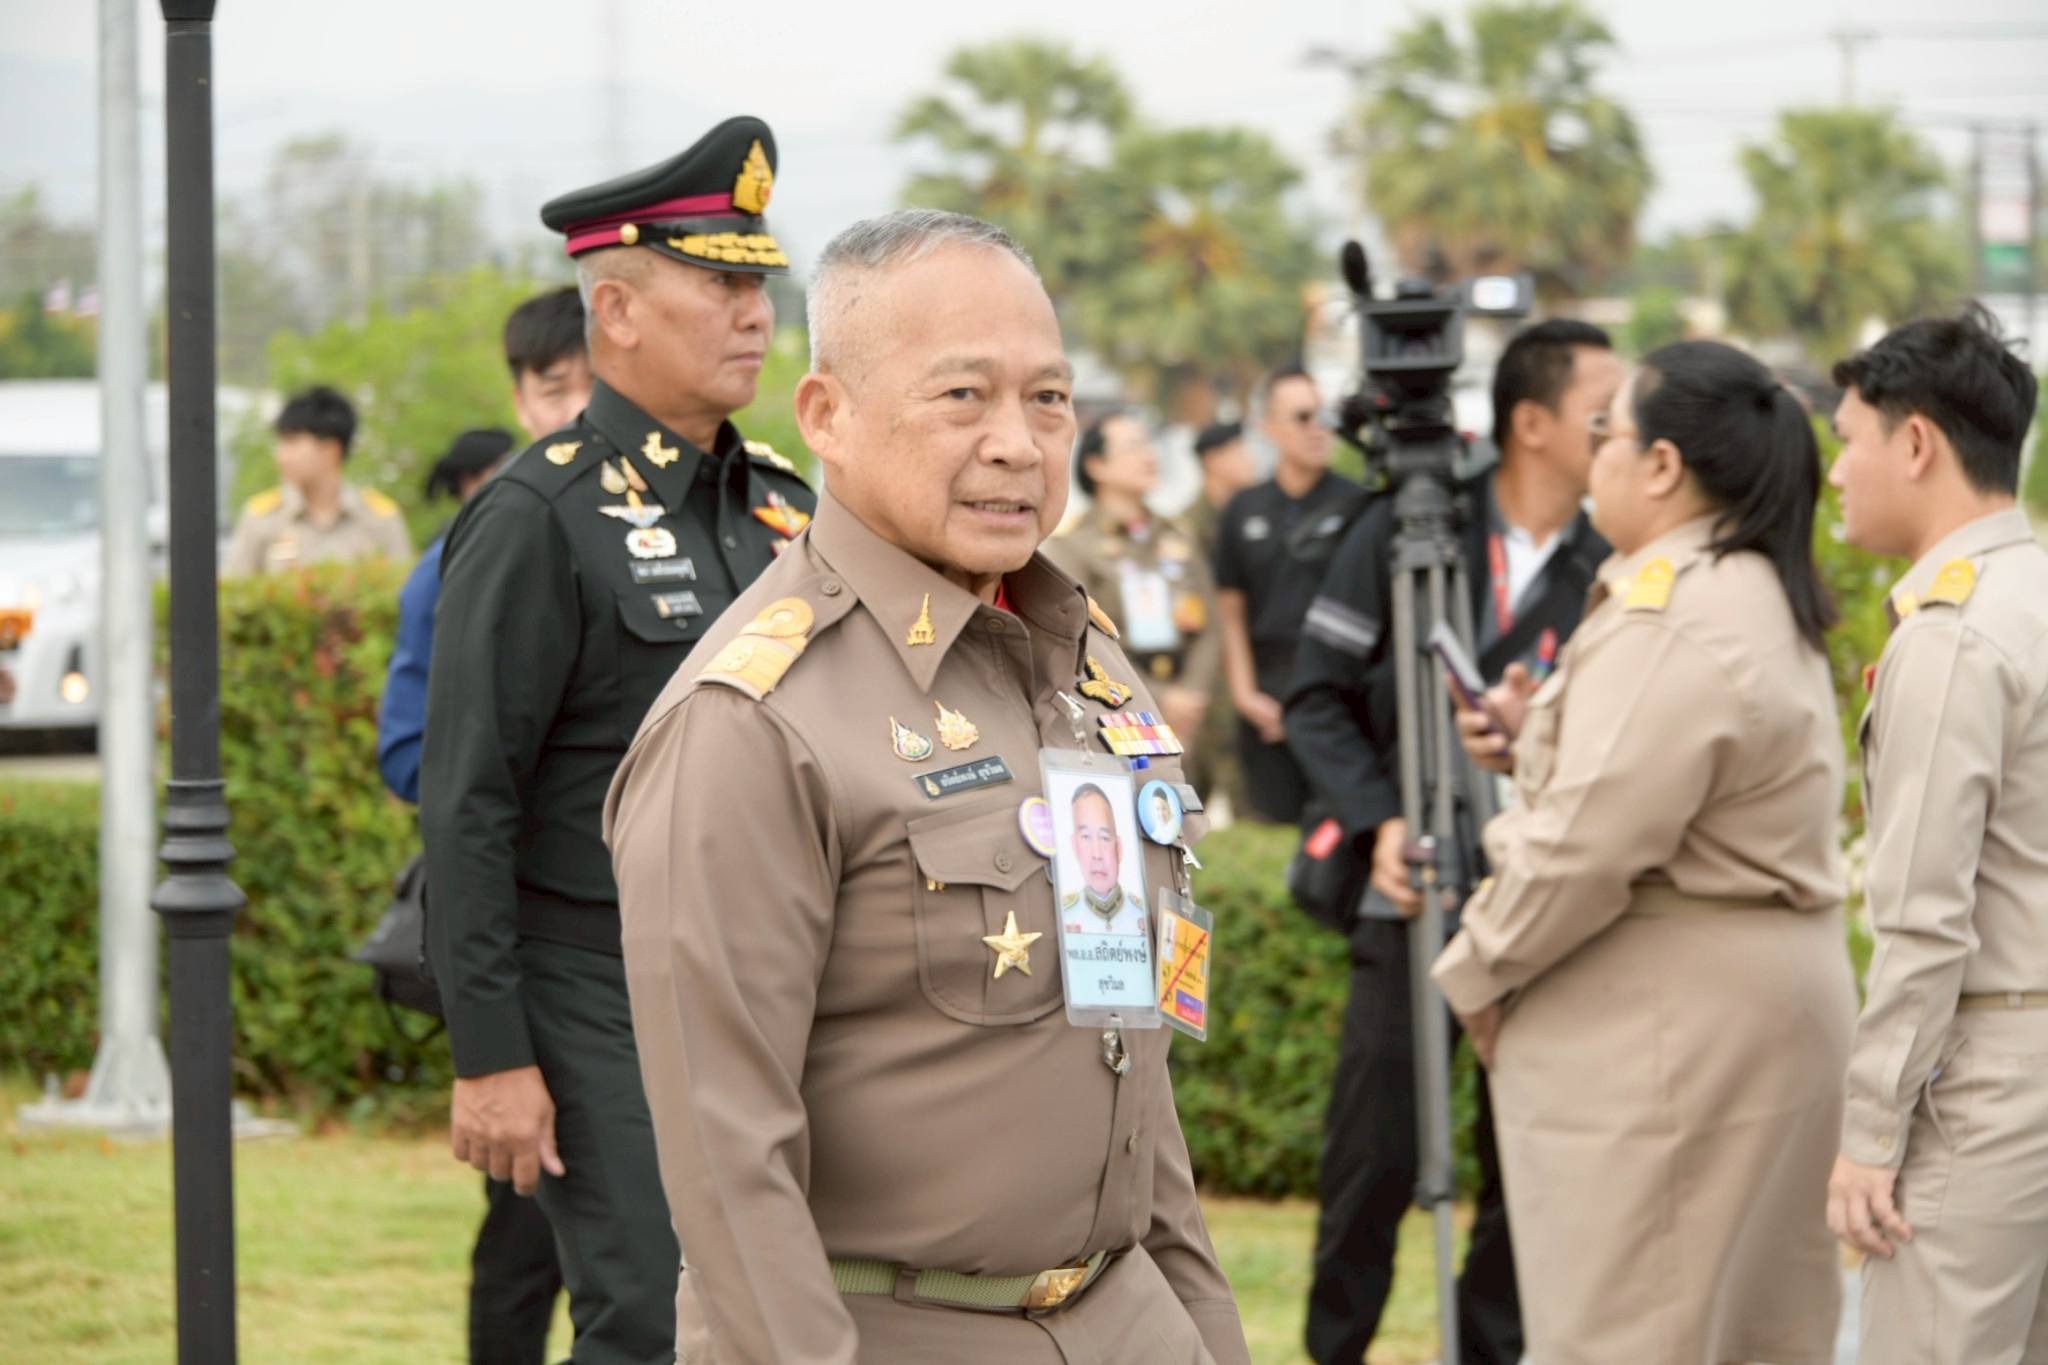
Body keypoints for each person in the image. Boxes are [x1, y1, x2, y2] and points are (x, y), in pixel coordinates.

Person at [605, 208, 1249, 1364]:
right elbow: (726, 1161)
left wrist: (1202, 1332)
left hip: (1125, 1319)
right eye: (962, 396)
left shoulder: (1076, 656)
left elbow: (1127, 1054)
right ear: (826, 416)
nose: (1017, 442)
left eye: (1047, 399)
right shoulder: (753, 721)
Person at [419, 116, 815, 1365]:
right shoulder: (537, 515)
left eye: (760, 284)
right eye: (720, 284)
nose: (754, 314)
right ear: (619, 311)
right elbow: (468, 799)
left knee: (784, 1314)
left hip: (768, 986)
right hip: (599, 985)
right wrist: (490, 1057)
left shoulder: (786, 509)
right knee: (653, 1316)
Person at [1435, 339, 1856, 1364]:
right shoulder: (1738, 590)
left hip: (1668, 1040)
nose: (1596, 460)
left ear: (1662, 465)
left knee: (1630, 1331)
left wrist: (1477, 970)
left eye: (1605, 434)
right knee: (1744, 1332)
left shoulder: (1672, 613)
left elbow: (1582, 847)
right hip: (1738, 1014)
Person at [1283, 318, 1618, 1365]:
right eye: (1601, 415)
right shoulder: (1404, 530)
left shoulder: (1610, 567)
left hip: (1542, 916)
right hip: (1413, 897)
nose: (1621, 434)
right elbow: (1315, 700)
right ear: (1530, 424)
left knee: (1526, 1178)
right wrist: (1379, 819)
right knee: (1369, 1169)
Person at [1821, 308, 2048, 1365]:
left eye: (1846, 438)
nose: (1834, 471)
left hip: (1993, 1077)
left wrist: (1870, 1135)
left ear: (1914, 444)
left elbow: (1921, 919)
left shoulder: (1952, 632)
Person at [376, 290, 589, 1365]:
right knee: (525, 1236)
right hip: (532, 947)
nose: (578, 409)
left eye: (595, 385)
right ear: (519, 399)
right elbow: (414, 756)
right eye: (556, 391)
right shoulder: (478, 544)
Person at [1212, 367, 1357, 821]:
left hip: (1341, 704)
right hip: (1266, 700)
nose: (1318, 429)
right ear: (1267, 427)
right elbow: (1229, 611)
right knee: (1272, 829)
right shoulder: (1244, 508)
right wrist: (1245, 694)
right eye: (1302, 417)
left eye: (1324, 416)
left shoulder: (1357, 504)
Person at [1045, 412, 1217, 745]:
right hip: (1118, 712)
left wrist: (1192, 694)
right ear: (1096, 465)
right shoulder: (1072, 545)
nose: (1149, 455)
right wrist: (1159, 698)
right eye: (1133, 446)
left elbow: (1211, 625)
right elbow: (1080, 642)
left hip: (1193, 714)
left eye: (1149, 444)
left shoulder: (1177, 535)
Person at [224, 384, 413, 575]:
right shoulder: (262, 518)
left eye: (292, 442)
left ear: (331, 448)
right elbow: (234, 595)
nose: (281, 456)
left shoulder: (379, 519)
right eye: (280, 443)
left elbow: (402, 594)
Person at [1059, 782, 1147, 936]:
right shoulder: (1064, 916)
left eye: (1104, 838)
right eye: (1086, 837)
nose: (1097, 854)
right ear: (1074, 847)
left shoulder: (1143, 914)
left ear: (1119, 848)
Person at [1185, 419, 1255, 563]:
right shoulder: (1191, 525)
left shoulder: (1245, 512)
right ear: (1212, 460)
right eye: (1238, 453)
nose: (1249, 461)